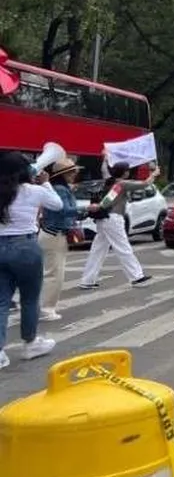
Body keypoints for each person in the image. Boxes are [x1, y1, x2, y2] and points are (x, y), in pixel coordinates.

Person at [0, 151, 58, 367]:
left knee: (1, 301)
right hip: (25, 245)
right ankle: (30, 343)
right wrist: (46, 184)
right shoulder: (33, 190)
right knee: (29, 298)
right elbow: (57, 205)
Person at [78, 162, 154, 290]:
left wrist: (105, 158)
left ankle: (87, 280)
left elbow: (107, 198)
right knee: (123, 247)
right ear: (125, 172)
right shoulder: (121, 184)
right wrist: (154, 174)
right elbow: (145, 184)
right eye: (127, 170)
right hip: (113, 219)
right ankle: (136, 277)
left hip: (104, 219)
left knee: (98, 250)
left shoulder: (110, 182)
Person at [39, 157, 81, 321]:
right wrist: (83, 208)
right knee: (54, 275)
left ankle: (45, 307)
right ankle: (47, 309)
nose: (74, 174)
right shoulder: (61, 190)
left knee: (50, 273)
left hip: (50, 233)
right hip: (55, 234)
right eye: (71, 172)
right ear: (63, 174)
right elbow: (64, 210)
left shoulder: (58, 188)